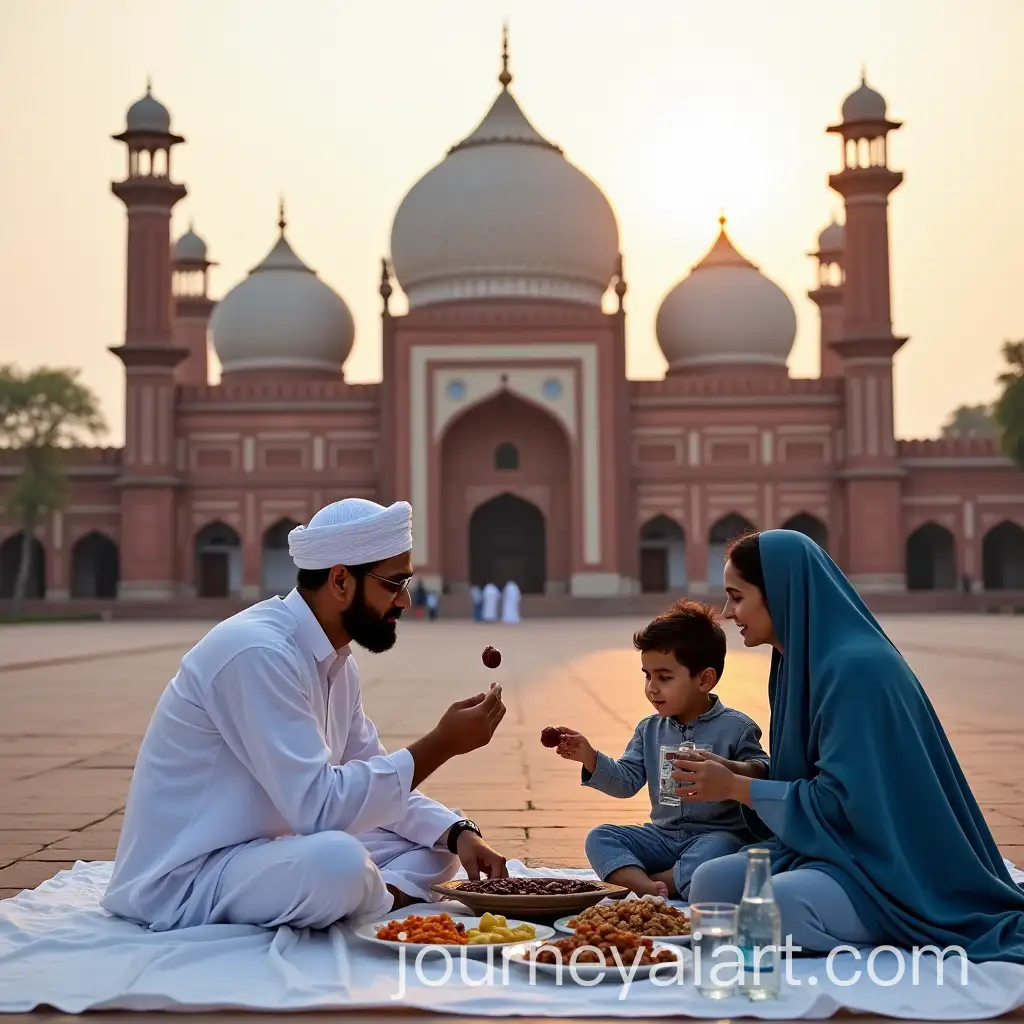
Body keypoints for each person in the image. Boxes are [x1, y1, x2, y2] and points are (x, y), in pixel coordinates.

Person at [102, 498, 508, 932]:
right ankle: (378, 895)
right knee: (339, 862)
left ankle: (373, 892)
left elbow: (369, 772)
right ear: (339, 581)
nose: (405, 601)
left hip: (267, 849)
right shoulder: (258, 652)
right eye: (394, 584)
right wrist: (441, 744)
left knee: (437, 845)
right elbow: (319, 810)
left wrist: (458, 831)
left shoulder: (335, 663)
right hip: (190, 876)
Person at [683, 529, 1024, 960]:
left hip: (891, 863)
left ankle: (893, 933)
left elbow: (848, 803)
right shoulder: (796, 660)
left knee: (781, 906)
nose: (728, 612)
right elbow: (808, 776)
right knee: (711, 883)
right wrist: (743, 772)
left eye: (737, 596)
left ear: (781, 593)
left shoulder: (857, 670)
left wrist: (738, 790)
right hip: (829, 847)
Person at [553, 600, 769, 900]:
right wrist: (589, 757)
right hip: (662, 838)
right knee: (601, 836)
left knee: (725, 849)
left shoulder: (737, 727)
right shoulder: (650, 729)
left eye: (664, 677)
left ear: (705, 679)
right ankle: (651, 885)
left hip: (713, 837)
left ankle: (650, 882)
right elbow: (626, 780)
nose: (652, 687)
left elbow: (761, 771)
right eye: (647, 675)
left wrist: (728, 770)